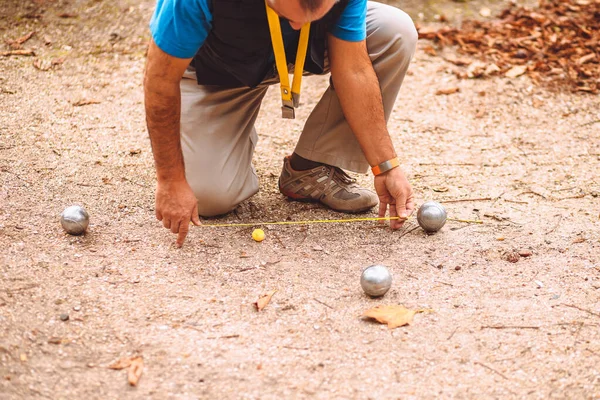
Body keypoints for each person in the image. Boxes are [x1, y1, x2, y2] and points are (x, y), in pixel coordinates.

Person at [144, 0, 418, 247]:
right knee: (209, 197)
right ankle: (228, 135)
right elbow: (159, 82)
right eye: (290, 15)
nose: (298, 26)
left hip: (297, 52)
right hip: (216, 71)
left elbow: (354, 69)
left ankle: (311, 167)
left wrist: (385, 166)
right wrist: (170, 180)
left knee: (394, 29)